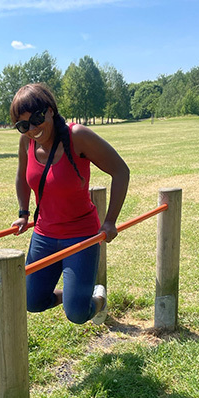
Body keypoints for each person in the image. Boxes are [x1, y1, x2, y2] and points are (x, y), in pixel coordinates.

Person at [10, 83, 130, 325]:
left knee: (76, 314)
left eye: (36, 118)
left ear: (51, 110)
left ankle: (97, 301)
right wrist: (23, 213)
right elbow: (23, 177)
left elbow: (121, 171)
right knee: (31, 301)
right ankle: (76, 296)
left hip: (81, 236)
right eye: (24, 125)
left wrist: (110, 221)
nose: (32, 129)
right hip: (44, 235)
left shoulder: (77, 137)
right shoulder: (27, 142)